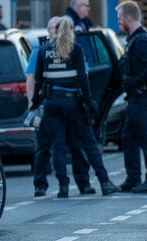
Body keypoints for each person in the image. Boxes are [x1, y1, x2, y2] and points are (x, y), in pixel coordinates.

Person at [30, 17, 117, 198]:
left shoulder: (44, 51)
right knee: (89, 143)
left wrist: (35, 103)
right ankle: (105, 182)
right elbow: (82, 80)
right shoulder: (76, 50)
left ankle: (63, 187)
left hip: (52, 103)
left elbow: (39, 80)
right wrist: (89, 102)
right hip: (73, 103)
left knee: (57, 146)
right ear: (71, 32)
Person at [26, 16, 94, 197]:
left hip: (59, 104)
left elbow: (83, 74)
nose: (56, 29)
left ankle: (83, 183)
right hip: (49, 104)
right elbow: (32, 78)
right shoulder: (39, 51)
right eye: (52, 27)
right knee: (44, 147)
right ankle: (40, 185)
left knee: (73, 145)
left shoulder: (71, 50)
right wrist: (33, 104)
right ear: (48, 30)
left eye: (58, 26)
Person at [116, 0, 147, 194]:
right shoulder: (134, 38)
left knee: (146, 137)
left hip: (142, 96)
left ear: (128, 18)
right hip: (136, 96)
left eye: (120, 18)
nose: (119, 22)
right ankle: (133, 178)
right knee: (129, 137)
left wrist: (134, 80)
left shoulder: (141, 40)